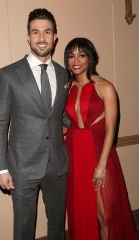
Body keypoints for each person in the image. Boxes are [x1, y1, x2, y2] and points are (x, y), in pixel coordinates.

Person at [0, 8, 70, 240]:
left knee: (57, 228)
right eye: (35, 32)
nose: (42, 38)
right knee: (24, 230)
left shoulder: (64, 75)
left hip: (57, 165)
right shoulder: (9, 74)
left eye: (47, 32)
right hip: (22, 167)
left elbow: (61, 115)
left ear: (55, 37)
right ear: (28, 37)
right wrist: (1, 168)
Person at [64, 37, 138, 240]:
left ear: (91, 58)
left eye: (82, 54)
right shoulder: (66, 88)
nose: (76, 60)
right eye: (71, 56)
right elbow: (63, 123)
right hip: (74, 154)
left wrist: (101, 165)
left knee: (106, 215)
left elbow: (111, 128)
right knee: (81, 212)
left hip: (99, 153)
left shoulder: (105, 87)